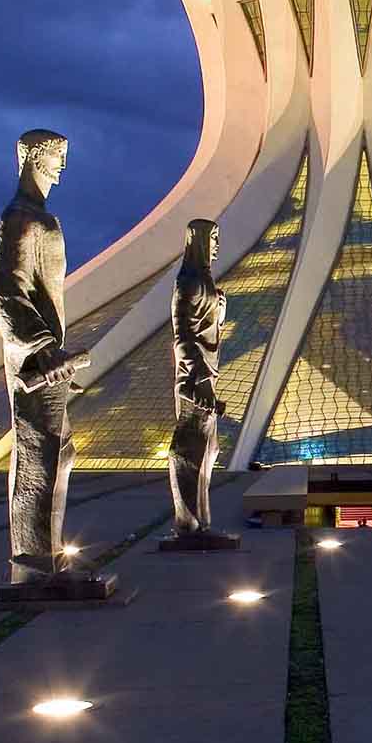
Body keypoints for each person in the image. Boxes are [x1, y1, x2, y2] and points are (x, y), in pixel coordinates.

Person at [0, 129, 88, 584]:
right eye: (55, 156)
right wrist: (42, 348)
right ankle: (33, 560)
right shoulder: (21, 219)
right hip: (36, 361)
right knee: (38, 452)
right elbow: (5, 292)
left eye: (65, 157)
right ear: (30, 157)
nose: (62, 166)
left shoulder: (42, 218)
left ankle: (45, 554)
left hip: (52, 360)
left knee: (59, 451)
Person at [168, 218, 226, 535]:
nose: (216, 244)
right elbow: (183, 335)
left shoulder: (205, 280)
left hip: (208, 375)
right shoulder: (188, 281)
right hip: (195, 381)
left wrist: (221, 311)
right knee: (189, 448)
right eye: (212, 238)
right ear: (198, 240)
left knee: (209, 449)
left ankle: (201, 519)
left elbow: (207, 331)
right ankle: (186, 521)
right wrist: (199, 376)